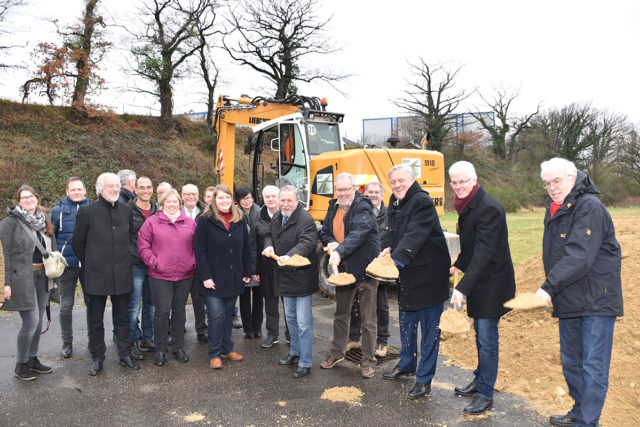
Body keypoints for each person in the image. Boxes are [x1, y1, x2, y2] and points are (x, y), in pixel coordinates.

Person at [535, 158, 623, 427]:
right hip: (569, 296)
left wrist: (548, 288)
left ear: (572, 179)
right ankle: (580, 409)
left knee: (592, 366)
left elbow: (580, 255)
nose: (552, 187)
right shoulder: (557, 209)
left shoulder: (589, 207)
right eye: (548, 183)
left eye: (557, 181)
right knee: (572, 361)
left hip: (596, 297)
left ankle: (587, 421)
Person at [448, 161, 516, 415]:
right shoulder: (468, 205)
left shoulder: (489, 208)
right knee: (480, 336)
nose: (457, 187)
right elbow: (471, 247)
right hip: (479, 280)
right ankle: (480, 379)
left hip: (493, 283)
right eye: (453, 183)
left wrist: (463, 287)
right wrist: (458, 264)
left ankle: (485, 393)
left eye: (462, 182)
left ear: (474, 180)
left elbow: (484, 253)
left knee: (487, 339)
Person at [382, 164, 451, 399]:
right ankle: (406, 364)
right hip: (408, 275)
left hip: (429, 276)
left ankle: (424, 379)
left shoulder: (422, 201)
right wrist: (389, 249)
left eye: (402, 180)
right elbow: (394, 232)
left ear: (412, 180)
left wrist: (396, 261)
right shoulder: (395, 200)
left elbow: (415, 233)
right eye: (393, 181)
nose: (397, 185)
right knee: (406, 323)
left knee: (429, 331)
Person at [72, 172, 139, 376]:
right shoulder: (87, 211)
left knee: (123, 318)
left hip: (121, 274)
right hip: (96, 275)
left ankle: (125, 354)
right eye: (111, 186)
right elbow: (78, 243)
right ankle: (97, 357)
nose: (115, 189)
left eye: (118, 185)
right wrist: (93, 261)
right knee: (95, 319)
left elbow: (128, 239)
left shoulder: (126, 210)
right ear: (100, 188)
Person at [319, 173, 380, 378]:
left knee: (368, 318)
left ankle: (369, 361)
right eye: (339, 190)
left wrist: (340, 250)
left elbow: (360, 233)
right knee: (341, 314)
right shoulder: (333, 206)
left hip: (364, 269)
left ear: (355, 189)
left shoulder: (363, 207)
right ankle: (337, 352)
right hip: (343, 270)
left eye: (346, 189)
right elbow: (325, 231)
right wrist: (331, 243)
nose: (343, 193)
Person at [0, 185, 56, 381]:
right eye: (24, 198)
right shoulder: (10, 223)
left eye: (31, 196)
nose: (28, 200)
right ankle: (21, 364)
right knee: (30, 322)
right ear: (18, 201)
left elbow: (51, 247)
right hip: (22, 278)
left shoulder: (43, 219)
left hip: (43, 276)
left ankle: (33, 359)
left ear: (37, 198)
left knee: (39, 321)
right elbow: (4, 254)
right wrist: (5, 284)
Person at [263, 185, 318, 379]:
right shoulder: (277, 217)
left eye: (289, 201)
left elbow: (307, 242)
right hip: (284, 276)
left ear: (297, 201)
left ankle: (305, 362)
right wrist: (268, 246)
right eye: (282, 200)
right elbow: (269, 234)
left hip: (301, 277)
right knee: (291, 319)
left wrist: (289, 256)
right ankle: (295, 352)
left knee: (304, 323)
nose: (285, 204)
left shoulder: (306, 219)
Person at [194, 184, 251, 369]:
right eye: (220, 198)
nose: (224, 201)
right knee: (217, 316)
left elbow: (245, 248)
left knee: (227, 315)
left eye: (227, 198)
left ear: (232, 200)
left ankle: (227, 348)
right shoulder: (205, 220)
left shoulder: (239, 218)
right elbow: (199, 250)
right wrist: (206, 276)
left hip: (233, 276)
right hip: (213, 278)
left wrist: (246, 272)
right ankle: (214, 353)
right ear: (213, 201)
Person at [137, 189, 197, 366]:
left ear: (180, 203)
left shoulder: (190, 223)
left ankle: (178, 347)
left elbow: (198, 246)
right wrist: (154, 262)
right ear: (162, 204)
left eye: (175, 202)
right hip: (160, 275)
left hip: (185, 274)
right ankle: (161, 350)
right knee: (162, 312)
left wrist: (192, 263)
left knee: (179, 311)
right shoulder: (152, 222)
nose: (172, 205)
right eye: (168, 202)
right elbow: (143, 245)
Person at [348, 180, 392, 357]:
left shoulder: (390, 214)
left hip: (381, 267)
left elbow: (396, 236)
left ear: (382, 194)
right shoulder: (360, 211)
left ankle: (382, 342)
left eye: (376, 192)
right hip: (362, 265)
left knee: (381, 304)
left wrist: (389, 252)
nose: (373, 195)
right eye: (370, 192)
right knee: (357, 301)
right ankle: (354, 338)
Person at [50, 177, 90, 359]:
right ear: (67, 191)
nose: (76, 192)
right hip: (66, 265)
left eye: (79, 189)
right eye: (73, 189)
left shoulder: (93, 209)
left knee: (92, 303)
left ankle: (93, 338)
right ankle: (67, 342)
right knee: (66, 305)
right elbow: (52, 236)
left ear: (85, 190)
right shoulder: (57, 211)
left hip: (89, 264)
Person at [254, 186, 288, 348]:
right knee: (270, 304)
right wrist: (254, 270)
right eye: (267, 197)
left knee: (289, 304)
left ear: (279, 197)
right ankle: (272, 335)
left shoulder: (289, 215)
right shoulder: (258, 218)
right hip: (266, 268)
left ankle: (290, 335)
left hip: (287, 267)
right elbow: (253, 245)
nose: (270, 199)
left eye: (274, 196)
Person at [127, 176, 157, 360]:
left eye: (148, 187)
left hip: (153, 266)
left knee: (151, 304)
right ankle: (132, 342)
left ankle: (148, 337)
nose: (145, 190)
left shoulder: (157, 210)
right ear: (135, 190)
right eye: (141, 188)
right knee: (133, 306)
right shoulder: (127, 210)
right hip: (135, 265)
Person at [235, 187, 263, 339]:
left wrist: (256, 269)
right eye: (243, 198)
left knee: (258, 298)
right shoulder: (235, 214)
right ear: (238, 200)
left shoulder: (260, 213)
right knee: (244, 298)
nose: (247, 201)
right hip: (242, 263)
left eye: (249, 197)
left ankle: (257, 327)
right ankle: (248, 329)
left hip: (258, 262)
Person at [181, 183, 208, 342]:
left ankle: (201, 330)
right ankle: (179, 329)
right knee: (179, 300)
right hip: (182, 263)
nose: (191, 197)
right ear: (182, 195)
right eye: (187, 194)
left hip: (199, 263)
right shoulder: (175, 211)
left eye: (194, 194)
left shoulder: (206, 212)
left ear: (198, 195)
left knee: (199, 300)